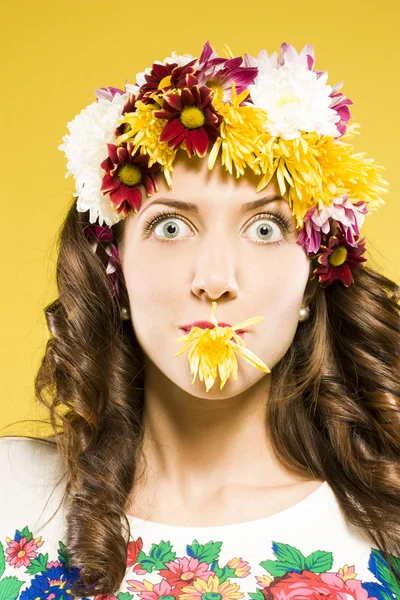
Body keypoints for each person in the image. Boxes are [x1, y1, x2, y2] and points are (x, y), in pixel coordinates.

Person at [1, 40, 399, 600]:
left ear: (313, 278)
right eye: (170, 226)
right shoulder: (8, 490)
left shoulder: (387, 527)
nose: (215, 279)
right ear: (114, 271)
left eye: (264, 228)